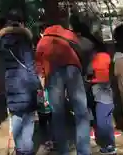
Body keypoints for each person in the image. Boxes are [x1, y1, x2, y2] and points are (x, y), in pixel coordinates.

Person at [35, 22, 91, 155]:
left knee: (58, 114)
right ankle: (84, 151)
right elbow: (82, 49)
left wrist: (42, 83)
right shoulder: (68, 34)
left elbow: (38, 65)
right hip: (73, 70)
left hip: (53, 73)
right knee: (81, 111)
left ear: (43, 31)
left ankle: (63, 151)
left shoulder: (43, 41)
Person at [0, 11, 39, 155]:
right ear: (20, 23)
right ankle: (27, 149)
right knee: (28, 118)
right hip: (25, 82)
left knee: (16, 116)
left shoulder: (3, 41)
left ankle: (20, 149)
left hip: (10, 82)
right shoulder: (24, 40)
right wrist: (37, 84)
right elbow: (30, 64)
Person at [90, 42, 117, 154]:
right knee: (108, 121)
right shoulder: (109, 57)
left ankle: (108, 145)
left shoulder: (95, 59)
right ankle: (111, 144)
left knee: (101, 121)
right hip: (109, 93)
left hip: (101, 94)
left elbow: (90, 73)